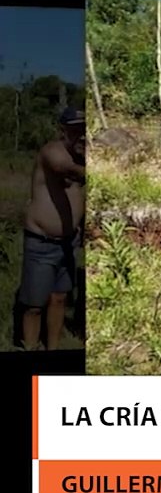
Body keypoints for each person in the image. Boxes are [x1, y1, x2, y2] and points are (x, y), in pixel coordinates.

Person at [12, 106, 85, 351]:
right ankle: (30, 348)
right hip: (42, 242)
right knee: (34, 305)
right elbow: (65, 170)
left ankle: (52, 347)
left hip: (68, 242)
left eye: (84, 129)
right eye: (74, 130)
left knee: (59, 298)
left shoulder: (82, 155)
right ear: (62, 130)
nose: (80, 135)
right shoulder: (53, 153)